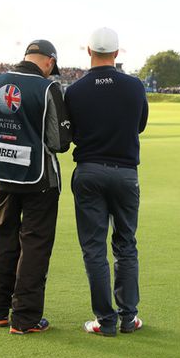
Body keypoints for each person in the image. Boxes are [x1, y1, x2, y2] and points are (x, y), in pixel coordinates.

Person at [0, 40, 71, 334]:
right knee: (35, 244)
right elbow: (60, 142)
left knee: (4, 238)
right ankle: (25, 319)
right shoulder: (48, 88)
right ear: (50, 62)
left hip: (1, 174)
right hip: (39, 179)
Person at [65, 27, 149, 337]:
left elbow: (69, 132)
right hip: (126, 173)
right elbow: (139, 125)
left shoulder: (73, 91)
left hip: (89, 171)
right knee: (126, 244)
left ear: (88, 51)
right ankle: (128, 317)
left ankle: (106, 320)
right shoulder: (134, 86)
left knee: (94, 249)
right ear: (117, 52)